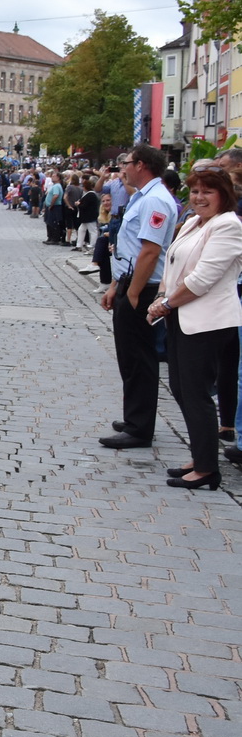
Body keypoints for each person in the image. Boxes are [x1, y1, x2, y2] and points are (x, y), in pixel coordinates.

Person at [147, 170, 242, 489]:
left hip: (207, 320)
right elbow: (172, 265)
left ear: (224, 195)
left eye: (208, 192)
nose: (200, 197)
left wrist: (167, 304)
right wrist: (162, 296)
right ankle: (201, 455)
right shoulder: (192, 222)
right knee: (180, 386)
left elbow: (203, 279)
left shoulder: (228, 225)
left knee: (196, 391)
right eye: (196, 191)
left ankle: (207, 469)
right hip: (180, 314)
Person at [100, 146, 181, 449]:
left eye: (128, 163)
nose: (124, 168)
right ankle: (135, 416)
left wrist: (132, 292)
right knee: (130, 357)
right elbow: (132, 250)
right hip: (130, 282)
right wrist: (115, 286)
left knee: (139, 358)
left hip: (143, 287)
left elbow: (150, 250)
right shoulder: (144, 196)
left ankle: (139, 427)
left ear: (142, 165)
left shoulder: (156, 199)